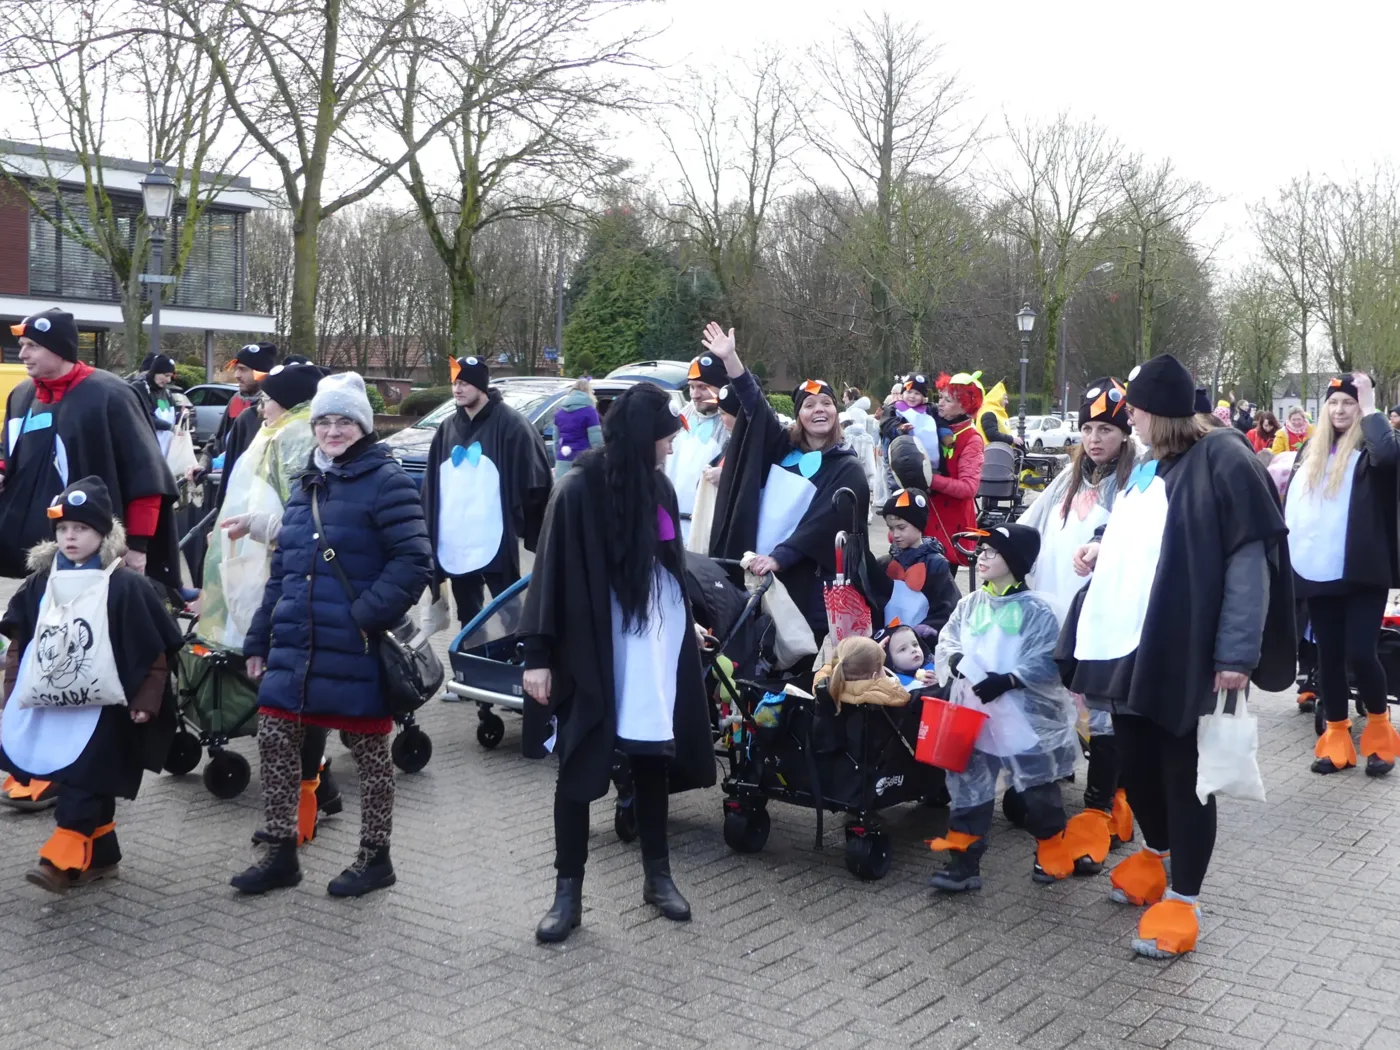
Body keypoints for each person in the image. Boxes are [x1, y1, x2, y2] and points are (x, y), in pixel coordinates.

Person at [1056, 352, 1294, 959]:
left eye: (1134, 410)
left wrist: (1237, 653)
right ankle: (1154, 858)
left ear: (1159, 411)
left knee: (1185, 775)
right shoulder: (1151, 464)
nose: (1129, 420)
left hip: (1189, 648)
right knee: (1137, 762)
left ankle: (1184, 899)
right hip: (1134, 645)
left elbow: (1249, 562)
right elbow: (1140, 530)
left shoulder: (1225, 459)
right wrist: (1100, 545)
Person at [520, 382, 716, 943]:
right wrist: (538, 657)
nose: (672, 446)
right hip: (592, 648)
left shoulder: (657, 484)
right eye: (665, 437)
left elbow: (667, 567)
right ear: (641, 436)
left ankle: (658, 876)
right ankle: (567, 894)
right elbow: (550, 573)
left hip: (652, 647)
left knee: (651, 759)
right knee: (578, 764)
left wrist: (689, 621)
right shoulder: (577, 489)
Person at [231, 372, 432, 898]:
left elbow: (414, 561)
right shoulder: (307, 483)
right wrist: (258, 639)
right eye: (324, 421)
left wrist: (363, 616)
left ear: (363, 425)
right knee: (274, 736)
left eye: (344, 421)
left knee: (368, 750)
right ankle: (280, 851)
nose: (333, 431)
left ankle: (375, 857)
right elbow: (284, 571)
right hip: (295, 645)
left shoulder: (387, 481)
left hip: (354, 646)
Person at [0, 476, 183, 891]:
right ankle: (102, 856)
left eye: (81, 528)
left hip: (107, 706)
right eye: (63, 528)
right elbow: (20, 641)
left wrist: (147, 699)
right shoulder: (41, 583)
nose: (70, 537)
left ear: (102, 533)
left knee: (84, 775)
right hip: (53, 702)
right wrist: (11, 693)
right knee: (79, 774)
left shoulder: (125, 584)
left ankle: (60, 858)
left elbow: (153, 649)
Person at [198, 362, 341, 840]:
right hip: (267, 570)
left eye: (268, 397)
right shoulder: (277, 431)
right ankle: (315, 789)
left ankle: (308, 795)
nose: (260, 404)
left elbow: (301, 513)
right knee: (289, 691)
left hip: (285, 576)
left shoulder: (296, 437)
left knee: (293, 689)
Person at [1020, 377, 1137, 873]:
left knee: (1103, 712)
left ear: (1125, 432)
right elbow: (1030, 525)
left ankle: (1102, 806)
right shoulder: (1068, 480)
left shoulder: (1136, 482)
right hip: (1057, 614)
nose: (1094, 439)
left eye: (1105, 430)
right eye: (1088, 429)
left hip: (1104, 619)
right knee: (1055, 703)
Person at [930, 523, 1078, 892]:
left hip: (1023, 717)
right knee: (969, 785)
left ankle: (1051, 849)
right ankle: (963, 861)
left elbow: (1049, 657)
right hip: (974, 713)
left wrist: (1011, 679)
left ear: (1014, 560)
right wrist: (954, 658)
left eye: (991, 552)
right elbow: (949, 638)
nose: (981, 557)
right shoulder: (970, 604)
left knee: (1038, 788)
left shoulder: (1038, 611)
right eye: (981, 551)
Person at [702, 323, 870, 640]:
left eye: (826, 403)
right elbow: (755, 405)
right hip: (757, 572)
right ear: (799, 414)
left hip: (805, 583)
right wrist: (731, 360)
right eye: (809, 405)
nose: (819, 410)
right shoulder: (782, 448)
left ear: (836, 411)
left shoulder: (847, 467)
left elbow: (823, 523)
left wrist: (781, 557)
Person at [0, 308, 180, 589]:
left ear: (59, 348)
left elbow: (146, 477)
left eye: (32, 345)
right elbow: (8, 453)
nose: (22, 354)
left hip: (99, 556)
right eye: (22, 345)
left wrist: (137, 546)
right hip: (33, 558)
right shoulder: (21, 396)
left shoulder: (111, 394)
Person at [1283, 373, 1400, 776]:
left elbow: (1389, 457)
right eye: (1333, 403)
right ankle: (1336, 735)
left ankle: (1380, 730)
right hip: (1318, 570)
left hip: (1363, 570)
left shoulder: (1372, 447)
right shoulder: (1311, 452)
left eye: (1348, 402)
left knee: (1361, 652)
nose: (1339, 410)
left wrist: (1370, 408)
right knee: (1328, 655)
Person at [420, 354, 551, 628]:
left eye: (464, 383)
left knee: (509, 609)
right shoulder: (447, 428)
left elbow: (534, 477)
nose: (457, 389)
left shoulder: (511, 424)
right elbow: (432, 484)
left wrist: (522, 520)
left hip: (495, 536)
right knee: (468, 613)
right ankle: (469, 653)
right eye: (454, 383)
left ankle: (517, 651)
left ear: (481, 385)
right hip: (457, 538)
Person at [196, 342, 279, 518]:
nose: (236, 375)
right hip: (228, 495)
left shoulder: (276, 408)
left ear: (261, 373)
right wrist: (203, 464)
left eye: (243, 369)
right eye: (236, 369)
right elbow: (217, 440)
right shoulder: (236, 400)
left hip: (256, 503)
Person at [665, 353, 731, 542]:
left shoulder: (731, 422)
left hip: (703, 529)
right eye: (692, 387)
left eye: (703, 387)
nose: (694, 394)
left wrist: (728, 475)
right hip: (670, 523)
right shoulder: (682, 415)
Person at [923, 373, 986, 570]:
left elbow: (968, 488)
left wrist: (930, 479)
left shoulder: (971, 439)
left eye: (948, 400)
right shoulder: (931, 426)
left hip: (949, 525)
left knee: (941, 584)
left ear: (965, 406)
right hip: (925, 519)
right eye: (940, 397)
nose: (940, 403)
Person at [878, 488, 959, 641]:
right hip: (888, 639)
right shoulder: (885, 563)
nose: (895, 534)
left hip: (921, 643)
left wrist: (926, 629)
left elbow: (947, 607)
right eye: (891, 528)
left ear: (919, 525)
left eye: (901, 527)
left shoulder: (936, 565)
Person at [128, 354, 182, 456]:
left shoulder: (166, 392)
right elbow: (145, 417)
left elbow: (172, 416)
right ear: (155, 372)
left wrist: (181, 416)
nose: (169, 380)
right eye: (166, 375)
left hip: (165, 448)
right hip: (147, 449)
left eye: (170, 376)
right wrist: (170, 427)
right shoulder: (141, 388)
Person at [551, 377, 603, 477]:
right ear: (588, 392)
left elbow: (556, 441)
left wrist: (558, 457)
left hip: (563, 459)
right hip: (583, 461)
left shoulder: (559, 412)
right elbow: (596, 441)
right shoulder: (590, 411)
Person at [977, 381, 1021, 447]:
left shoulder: (996, 413)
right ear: (997, 398)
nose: (1007, 402)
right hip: (992, 452)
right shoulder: (989, 413)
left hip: (997, 451)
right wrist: (1012, 440)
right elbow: (992, 435)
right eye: (1005, 399)